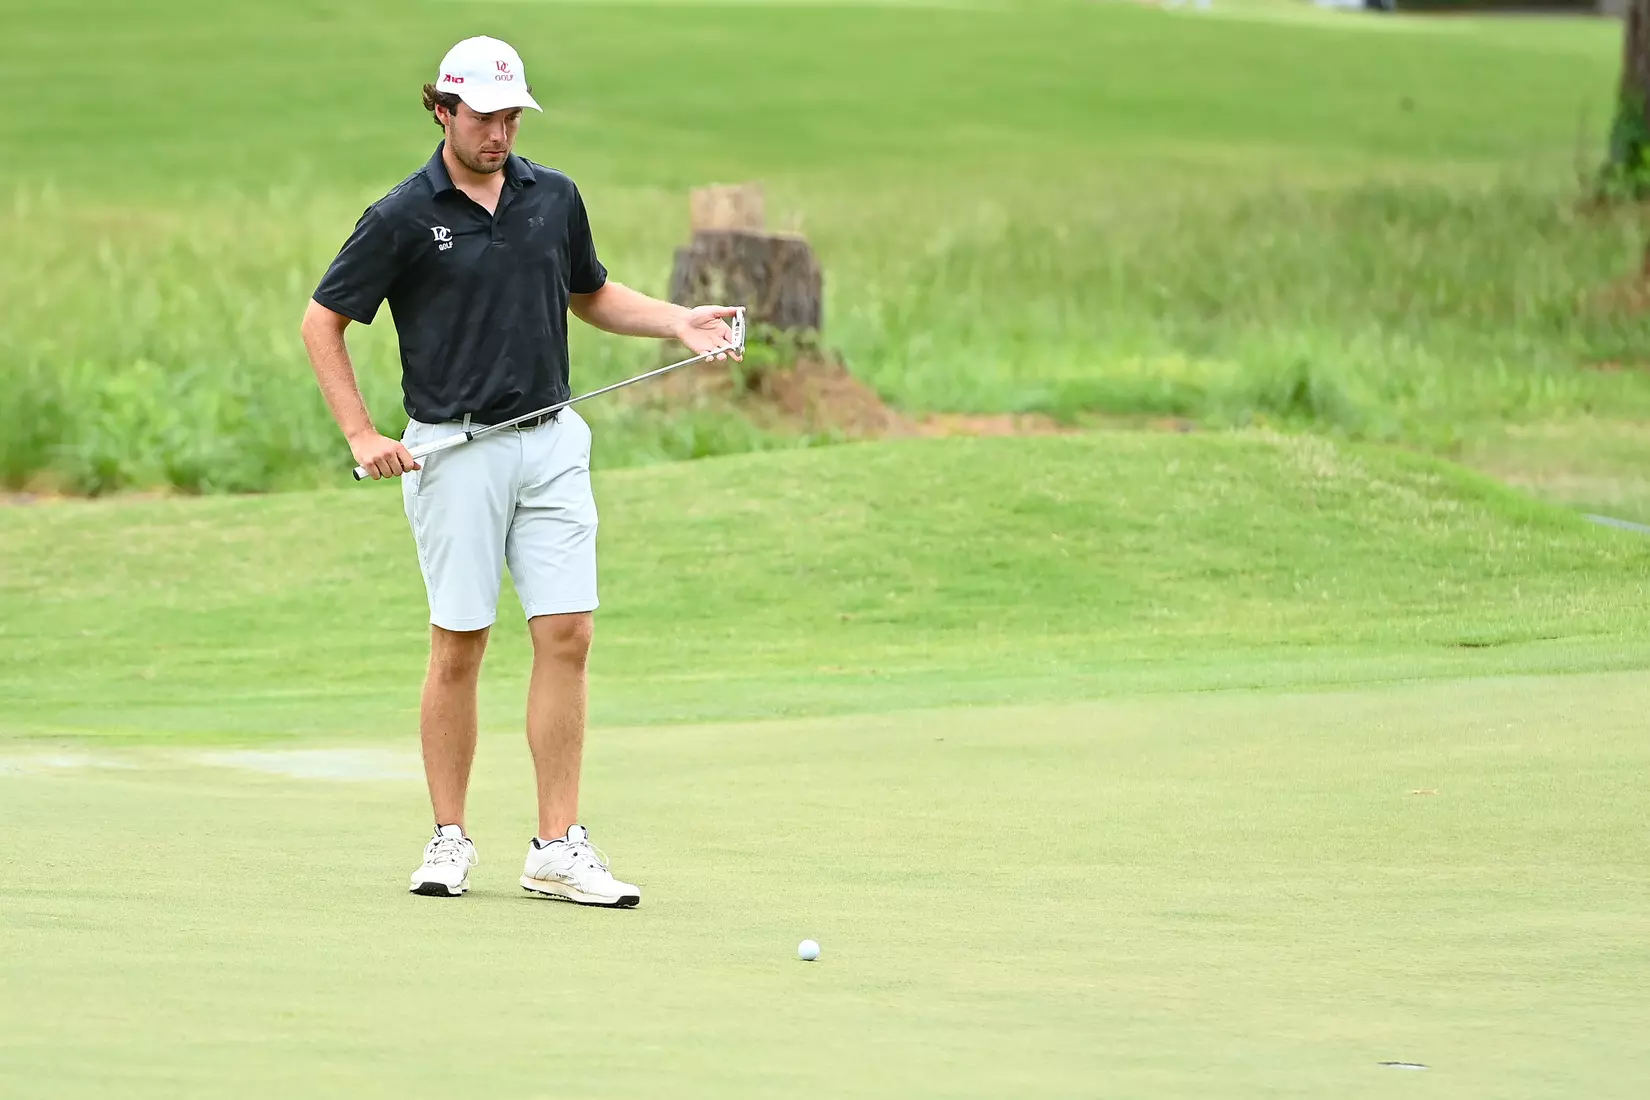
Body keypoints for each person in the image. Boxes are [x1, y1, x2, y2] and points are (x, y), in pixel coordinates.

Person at [299, 35, 740, 906]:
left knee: (567, 634)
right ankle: (449, 837)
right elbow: (324, 322)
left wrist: (677, 322)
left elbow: (590, 294)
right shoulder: (398, 217)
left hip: (552, 442)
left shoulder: (554, 197)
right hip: (454, 451)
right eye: (483, 116)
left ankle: (556, 845)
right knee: (460, 643)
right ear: (442, 111)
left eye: (510, 116)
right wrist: (359, 434)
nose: (499, 133)